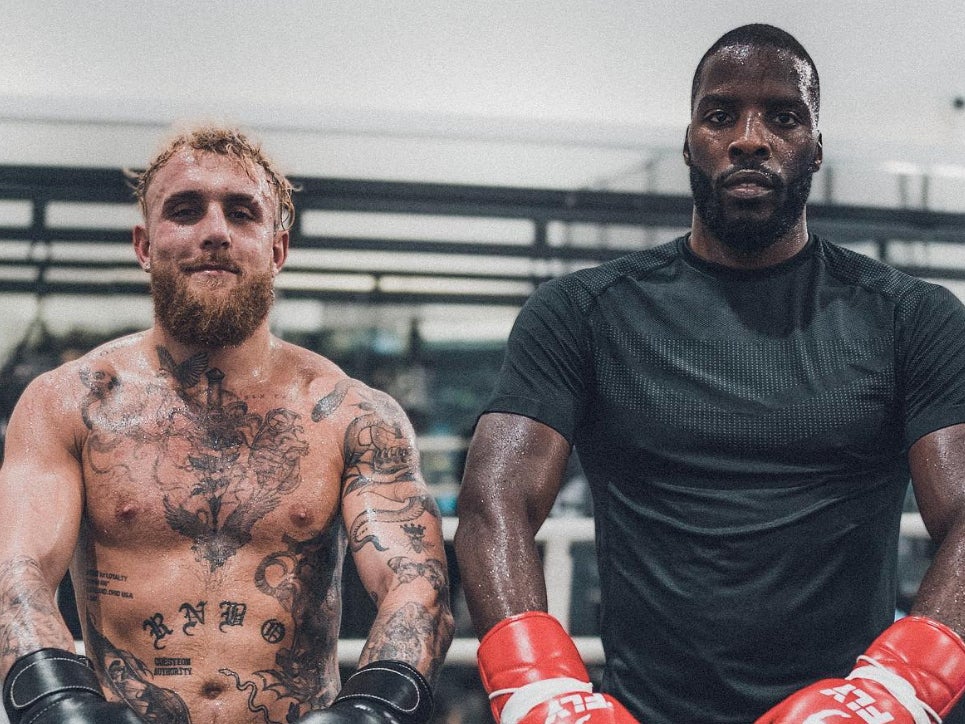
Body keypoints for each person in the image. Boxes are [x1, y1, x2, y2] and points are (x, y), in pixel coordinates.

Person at [454, 23, 965, 724]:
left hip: (851, 707)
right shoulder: (582, 313)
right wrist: (537, 685)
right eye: (719, 114)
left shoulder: (911, 318)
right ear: (688, 139)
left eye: (783, 116)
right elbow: (494, 501)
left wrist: (898, 690)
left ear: (815, 147)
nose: (749, 138)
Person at [0, 126, 454, 724]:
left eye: (242, 213)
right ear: (143, 245)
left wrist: (371, 711)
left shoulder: (351, 414)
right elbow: (16, 576)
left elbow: (417, 588)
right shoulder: (69, 403)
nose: (215, 232)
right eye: (185, 211)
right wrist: (57, 705)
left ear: (276, 248)